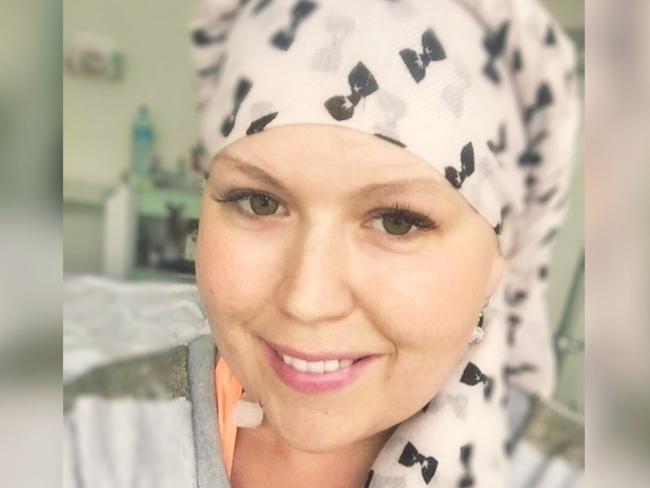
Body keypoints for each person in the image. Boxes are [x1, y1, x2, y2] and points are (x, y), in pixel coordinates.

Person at [63, 0, 579, 486]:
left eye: (397, 222)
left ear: (501, 259)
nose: (307, 301)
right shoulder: (85, 437)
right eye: (259, 202)